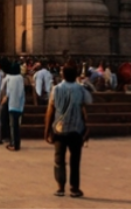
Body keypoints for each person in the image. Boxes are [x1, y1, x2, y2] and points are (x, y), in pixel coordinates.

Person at [45, 64, 91, 198]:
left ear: (63, 75)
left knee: (59, 160)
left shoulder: (56, 89)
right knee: (75, 161)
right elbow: (86, 109)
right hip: (76, 130)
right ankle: (74, 188)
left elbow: (50, 111)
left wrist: (47, 130)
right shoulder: (81, 90)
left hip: (60, 128)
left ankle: (60, 188)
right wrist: (88, 127)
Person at [1, 62, 26, 151]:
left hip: (12, 104)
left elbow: (7, 91)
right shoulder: (21, 78)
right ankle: (17, 143)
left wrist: (3, 100)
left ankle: (14, 144)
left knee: (12, 126)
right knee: (17, 126)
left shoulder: (10, 78)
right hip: (20, 105)